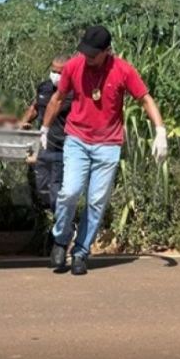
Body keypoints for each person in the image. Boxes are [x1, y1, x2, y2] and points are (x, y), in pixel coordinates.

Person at [40, 25, 168, 275]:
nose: (87, 57)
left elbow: (145, 99)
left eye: (93, 54)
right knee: (70, 192)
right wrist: (44, 129)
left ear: (107, 51)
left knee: (97, 201)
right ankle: (60, 239)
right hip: (77, 139)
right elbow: (57, 98)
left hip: (108, 145)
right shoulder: (74, 66)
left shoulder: (122, 70)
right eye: (84, 52)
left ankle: (80, 252)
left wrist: (160, 130)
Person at [18, 54, 73, 212]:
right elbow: (35, 107)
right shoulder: (44, 87)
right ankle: (54, 217)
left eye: (60, 73)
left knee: (56, 190)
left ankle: (63, 225)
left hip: (61, 148)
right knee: (41, 188)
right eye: (53, 71)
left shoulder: (73, 93)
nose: (56, 76)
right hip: (42, 147)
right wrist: (22, 123)